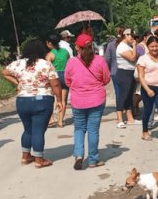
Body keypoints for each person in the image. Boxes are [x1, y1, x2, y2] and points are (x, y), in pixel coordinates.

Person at [3, 40, 63, 168]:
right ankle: (39, 160)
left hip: (22, 100)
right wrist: (59, 100)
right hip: (42, 100)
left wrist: (17, 82)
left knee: (28, 129)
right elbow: (55, 84)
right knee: (38, 130)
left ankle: (25, 157)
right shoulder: (46, 64)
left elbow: (5, 72)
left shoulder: (18, 63)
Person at [65, 33, 110, 170]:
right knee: (93, 130)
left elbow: (67, 81)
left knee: (79, 129)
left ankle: (79, 155)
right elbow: (106, 79)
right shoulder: (100, 61)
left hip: (77, 100)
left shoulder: (72, 62)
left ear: (77, 47)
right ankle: (92, 160)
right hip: (96, 99)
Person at [137, 36, 158, 147]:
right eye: (152, 46)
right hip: (147, 89)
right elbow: (141, 77)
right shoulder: (143, 59)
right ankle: (145, 131)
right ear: (148, 47)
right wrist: (147, 89)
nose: (154, 49)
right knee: (147, 110)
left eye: (156, 46)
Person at [114, 28, 140, 128]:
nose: (133, 38)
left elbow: (135, 56)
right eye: (131, 36)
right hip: (123, 73)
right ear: (126, 35)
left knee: (129, 96)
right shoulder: (121, 47)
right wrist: (134, 46)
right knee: (123, 96)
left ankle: (130, 118)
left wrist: (133, 48)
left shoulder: (127, 46)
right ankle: (120, 119)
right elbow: (133, 57)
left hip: (130, 72)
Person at [46, 33, 70, 128]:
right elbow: (69, 62)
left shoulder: (50, 54)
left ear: (49, 43)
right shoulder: (65, 52)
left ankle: (51, 119)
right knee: (63, 100)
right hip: (64, 76)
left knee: (51, 99)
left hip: (54, 77)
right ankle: (60, 121)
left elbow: (46, 68)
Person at [103, 27, 124, 105]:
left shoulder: (111, 45)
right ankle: (129, 109)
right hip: (127, 71)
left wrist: (109, 69)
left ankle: (119, 110)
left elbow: (107, 59)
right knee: (127, 91)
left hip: (115, 71)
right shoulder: (128, 44)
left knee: (117, 91)